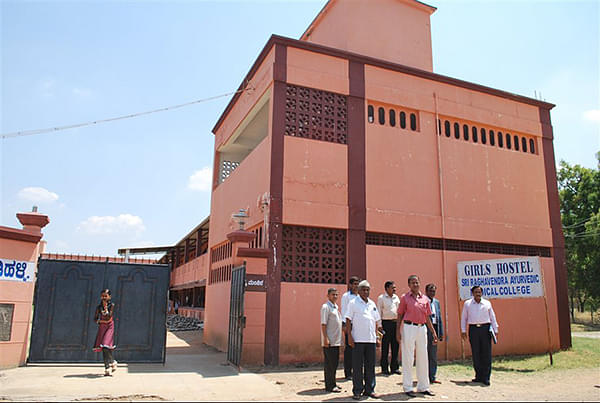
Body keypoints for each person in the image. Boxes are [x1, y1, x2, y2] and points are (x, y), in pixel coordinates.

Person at [396, 275, 437, 397]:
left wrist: (433, 332)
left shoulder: (425, 299)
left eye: (417, 282)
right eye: (413, 283)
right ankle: (408, 387)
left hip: (422, 328)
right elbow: (400, 315)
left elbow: (428, 317)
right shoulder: (404, 298)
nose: (415, 285)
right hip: (409, 327)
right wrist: (398, 331)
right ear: (409, 285)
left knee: (423, 357)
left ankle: (423, 386)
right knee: (408, 357)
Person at [346, 280, 383, 400]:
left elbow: (377, 321)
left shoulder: (372, 304)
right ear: (359, 290)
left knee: (370, 366)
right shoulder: (353, 303)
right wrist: (350, 337)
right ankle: (357, 390)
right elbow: (348, 320)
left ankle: (370, 389)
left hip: (371, 340)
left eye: (368, 290)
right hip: (358, 339)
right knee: (357, 366)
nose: (366, 292)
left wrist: (378, 337)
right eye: (363, 289)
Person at [461, 285, 499, 386]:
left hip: (485, 329)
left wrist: (496, 329)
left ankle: (486, 377)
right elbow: (464, 318)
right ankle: (478, 376)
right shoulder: (468, 304)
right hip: (473, 330)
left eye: (479, 292)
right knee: (476, 353)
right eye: (476, 292)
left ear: (482, 293)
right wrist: (463, 330)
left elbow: (492, 317)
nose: (478, 293)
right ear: (472, 293)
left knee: (486, 353)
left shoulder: (487, 303)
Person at [320, 288, 343, 393]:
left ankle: (333, 382)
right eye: (333, 294)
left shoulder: (335, 307)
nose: (335, 296)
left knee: (334, 363)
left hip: (336, 341)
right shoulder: (326, 307)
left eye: (336, 295)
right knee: (330, 364)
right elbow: (323, 324)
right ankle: (329, 386)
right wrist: (325, 338)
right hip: (329, 341)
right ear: (328, 296)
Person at [376, 281, 400, 375]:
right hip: (385, 324)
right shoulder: (381, 298)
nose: (394, 289)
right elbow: (378, 312)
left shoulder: (396, 298)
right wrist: (379, 326)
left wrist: (398, 325)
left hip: (395, 323)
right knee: (385, 346)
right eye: (392, 287)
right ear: (386, 288)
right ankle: (384, 368)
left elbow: (399, 311)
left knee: (395, 346)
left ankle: (394, 367)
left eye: (395, 287)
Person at [93, 289, 117, 376]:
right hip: (102, 327)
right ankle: (108, 367)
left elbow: (108, 317)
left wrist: (106, 309)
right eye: (102, 296)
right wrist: (100, 321)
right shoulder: (98, 307)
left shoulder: (112, 305)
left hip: (109, 327)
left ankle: (111, 362)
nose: (104, 298)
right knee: (104, 347)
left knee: (106, 345)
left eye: (106, 296)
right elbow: (95, 319)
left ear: (109, 297)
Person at [341, 276, 360, 379]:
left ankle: (355, 370)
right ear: (350, 285)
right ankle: (348, 372)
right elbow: (344, 310)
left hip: (359, 325)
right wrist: (344, 325)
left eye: (357, 284)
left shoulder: (360, 296)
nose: (356, 286)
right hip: (349, 324)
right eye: (354, 284)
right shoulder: (346, 296)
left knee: (357, 348)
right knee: (349, 348)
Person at [425, 283, 444, 384]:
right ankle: (424, 376)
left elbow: (439, 317)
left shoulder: (436, 302)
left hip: (434, 329)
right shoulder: (423, 301)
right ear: (426, 291)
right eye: (430, 291)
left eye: (434, 291)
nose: (432, 293)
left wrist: (440, 332)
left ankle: (432, 376)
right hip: (425, 328)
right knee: (424, 354)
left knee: (433, 354)